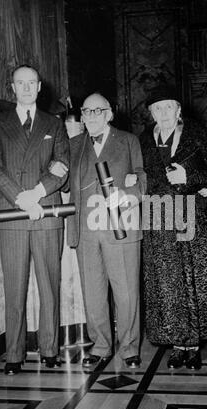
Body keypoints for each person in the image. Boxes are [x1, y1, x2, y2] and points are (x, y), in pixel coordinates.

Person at [0, 64, 69, 375]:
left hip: (46, 212)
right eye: (20, 83)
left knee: (49, 285)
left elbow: (62, 163)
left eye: (31, 82)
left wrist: (36, 192)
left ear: (39, 87)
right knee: (15, 287)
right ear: (12, 87)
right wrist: (20, 198)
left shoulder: (55, 123)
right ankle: (14, 354)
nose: (26, 87)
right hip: (13, 214)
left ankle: (50, 350)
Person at [140, 85, 207, 369]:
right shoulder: (143, 139)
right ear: (152, 114)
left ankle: (194, 344)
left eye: (168, 107)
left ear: (178, 110)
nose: (163, 113)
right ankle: (177, 343)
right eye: (157, 109)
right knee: (167, 281)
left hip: (190, 211)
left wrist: (189, 176)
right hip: (157, 215)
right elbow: (139, 175)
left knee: (192, 278)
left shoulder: (196, 133)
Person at [67, 92, 146, 368]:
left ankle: (129, 347)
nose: (90, 116)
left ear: (109, 113)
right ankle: (100, 346)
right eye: (86, 111)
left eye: (97, 111)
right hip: (86, 229)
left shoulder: (128, 140)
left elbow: (142, 178)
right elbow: (65, 183)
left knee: (126, 291)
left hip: (120, 225)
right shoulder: (74, 143)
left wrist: (126, 194)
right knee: (93, 292)